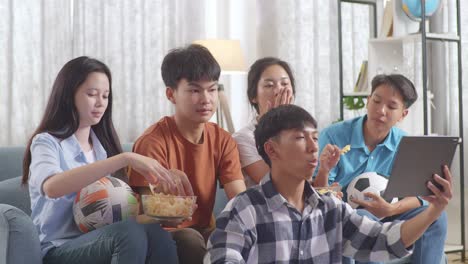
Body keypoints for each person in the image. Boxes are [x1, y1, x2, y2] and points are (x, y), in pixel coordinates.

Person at [205, 104, 453, 264]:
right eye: (301, 138)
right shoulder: (245, 209)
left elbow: (385, 241)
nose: (314, 147)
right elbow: (222, 259)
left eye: (315, 138)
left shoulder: (332, 210)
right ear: (271, 149)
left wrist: (435, 209)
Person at [22, 56, 186, 264]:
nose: (101, 103)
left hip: (102, 240)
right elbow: (52, 187)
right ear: (68, 95)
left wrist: (162, 214)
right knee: (128, 233)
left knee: (155, 231)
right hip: (58, 249)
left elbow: (115, 214)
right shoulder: (46, 142)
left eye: (106, 96)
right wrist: (124, 158)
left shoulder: (101, 148)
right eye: (91, 94)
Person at [128, 44, 246, 264]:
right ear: (171, 94)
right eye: (194, 90)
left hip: (205, 230)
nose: (206, 99)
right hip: (163, 233)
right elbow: (143, 215)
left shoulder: (223, 139)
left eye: (211, 89)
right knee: (190, 239)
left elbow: (239, 198)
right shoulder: (152, 142)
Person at [315, 74, 448, 264]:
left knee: (437, 217)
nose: (381, 110)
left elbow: (420, 196)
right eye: (376, 101)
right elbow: (318, 193)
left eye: (392, 106)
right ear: (368, 101)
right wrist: (323, 171)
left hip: (390, 212)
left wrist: (392, 209)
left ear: (403, 114)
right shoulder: (333, 136)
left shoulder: (405, 144)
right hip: (347, 214)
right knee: (363, 218)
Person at [233, 57, 340, 188]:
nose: (279, 90)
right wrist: (275, 122)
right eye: (269, 85)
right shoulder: (243, 138)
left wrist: (324, 171)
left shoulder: (304, 132)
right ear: (253, 96)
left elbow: (306, 191)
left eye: (284, 84)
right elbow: (280, 185)